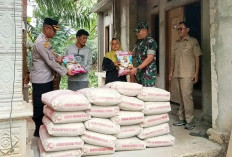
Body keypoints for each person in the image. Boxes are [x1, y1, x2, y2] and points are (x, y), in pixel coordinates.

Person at [31, 18, 73, 137]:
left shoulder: (45, 41)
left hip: (46, 78)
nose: (55, 33)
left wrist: (58, 57)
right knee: (39, 105)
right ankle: (38, 130)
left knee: (46, 104)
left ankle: (43, 128)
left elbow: (51, 55)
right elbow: (50, 62)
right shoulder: (40, 42)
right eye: (54, 30)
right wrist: (65, 71)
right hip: (40, 80)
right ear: (47, 28)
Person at [170, 21, 202, 130]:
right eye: (178, 29)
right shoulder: (177, 43)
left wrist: (196, 73)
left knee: (187, 96)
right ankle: (182, 118)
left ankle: (190, 120)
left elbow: (197, 57)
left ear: (187, 29)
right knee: (180, 97)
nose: (179, 31)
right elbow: (173, 59)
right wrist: (171, 71)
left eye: (181, 29)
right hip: (177, 73)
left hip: (188, 74)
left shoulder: (193, 41)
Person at [129, 22, 157, 87]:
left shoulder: (151, 42)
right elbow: (135, 54)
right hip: (139, 73)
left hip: (148, 74)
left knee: (147, 93)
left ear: (145, 31)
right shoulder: (138, 42)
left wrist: (137, 69)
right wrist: (127, 54)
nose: (137, 34)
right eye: (136, 32)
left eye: (138, 32)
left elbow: (150, 58)